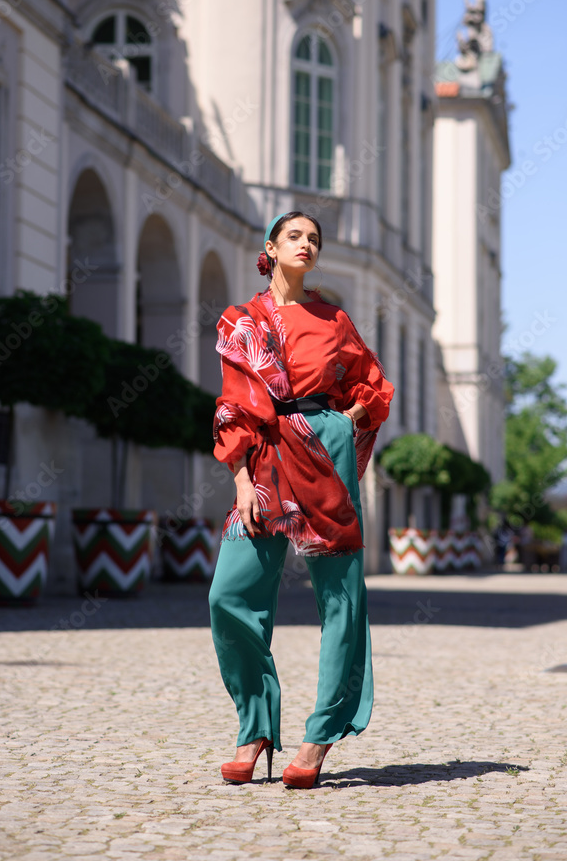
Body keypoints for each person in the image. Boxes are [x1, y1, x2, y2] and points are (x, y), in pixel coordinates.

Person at [208, 211, 394, 788]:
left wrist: (344, 424)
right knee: (230, 594)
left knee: (340, 597)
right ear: (271, 246)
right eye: (296, 236)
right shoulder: (240, 320)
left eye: (315, 239)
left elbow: (376, 384)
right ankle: (255, 725)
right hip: (262, 461)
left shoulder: (333, 318)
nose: (307, 244)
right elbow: (233, 405)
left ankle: (320, 735)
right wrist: (240, 479)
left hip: (322, 453)